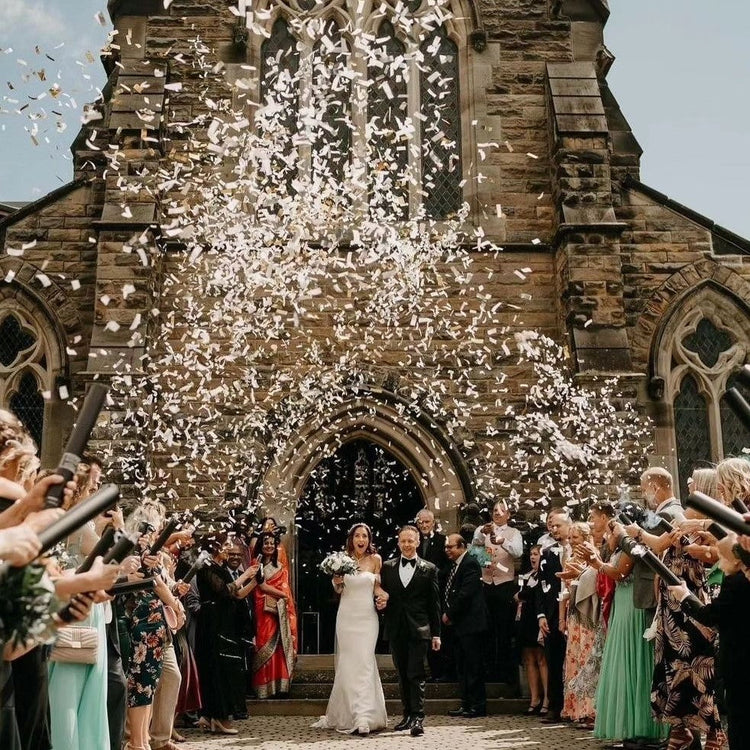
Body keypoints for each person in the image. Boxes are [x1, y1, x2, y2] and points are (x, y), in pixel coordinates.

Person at [587, 524, 667, 744]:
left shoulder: (629, 547)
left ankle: (643, 725)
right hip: (621, 607)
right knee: (624, 663)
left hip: (632, 609)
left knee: (633, 662)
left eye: (611, 531)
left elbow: (620, 573)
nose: (608, 535)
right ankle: (631, 726)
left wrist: (597, 563)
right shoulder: (619, 548)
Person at [312, 523, 388, 734]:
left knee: (364, 661)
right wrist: (336, 582)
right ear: (351, 539)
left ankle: (364, 715)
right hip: (347, 617)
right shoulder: (342, 560)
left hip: (367, 618)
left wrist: (384, 597)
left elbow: (377, 587)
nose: (361, 539)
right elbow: (338, 588)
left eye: (364, 535)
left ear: (369, 539)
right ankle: (352, 713)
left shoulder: (376, 560)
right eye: (357, 536)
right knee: (348, 663)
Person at [377, 525, 441, 737]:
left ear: (417, 542)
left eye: (410, 541)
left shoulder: (429, 568)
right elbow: (382, 596)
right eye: (403, 541)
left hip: (419, 629)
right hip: (396, 628)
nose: (406, 544)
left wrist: (436, 633)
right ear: (398, 542)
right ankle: (406, 715)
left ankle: (418, 717)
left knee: (416, 673)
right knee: (402, 674)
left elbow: (434, 604)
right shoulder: (387, 567)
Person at [195, 536, 258, 733]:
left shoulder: (221, 569)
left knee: (224, 669)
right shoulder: (206, 568)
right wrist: (246, 574)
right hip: (212, 622)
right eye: (226, 546)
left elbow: (237, 594)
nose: (229, 549)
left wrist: (255, 581)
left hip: (225, 622)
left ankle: (211, 716)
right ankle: (217, 717)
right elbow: (224, 590)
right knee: (216, 668)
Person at [472, 500, 523, 687]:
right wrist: (481, 534)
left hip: (504, 585)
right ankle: (487, 670)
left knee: (503, 629)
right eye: (495, 510)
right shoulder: (483, 529)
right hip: (486, 583)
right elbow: (475, 547)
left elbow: (518, 552)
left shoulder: (514, 533)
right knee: (486, 628)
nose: (497, 514)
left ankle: (504, 672)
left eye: (502, 511)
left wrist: (503, 541)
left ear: (508, 514)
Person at [442, 533, 487, 718]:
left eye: (450, 547)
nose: (447, 551)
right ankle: (466, 703)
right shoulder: (455, 565)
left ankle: (477, 705)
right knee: (462, 666)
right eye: (446, 547)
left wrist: (449, 613)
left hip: (471, 625)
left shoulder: (470, 564)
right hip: (460, 625)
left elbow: (465, 594)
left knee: (473, 666)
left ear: (461, 546)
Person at [251, 532, 297, 699]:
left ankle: (280, 685)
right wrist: (283, 595)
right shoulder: (256, 564)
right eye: (266, 543)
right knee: (264, 643)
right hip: (263, 612)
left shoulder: (281, 567)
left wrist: (284, 597)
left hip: (280, 612)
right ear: (260, 546)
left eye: (272, 543)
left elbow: (285, 589)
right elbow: (261, 587)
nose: (269, 546)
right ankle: (264, 687)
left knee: (279, 646)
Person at [534, 508, 569, 723]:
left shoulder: (581, 548)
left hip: (576, 612)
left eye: (558, 525)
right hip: (552, 613)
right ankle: (555, 706)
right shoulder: (546, 553)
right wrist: (541, 615)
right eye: (552, 526)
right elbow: (540, 586)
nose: (554, 529)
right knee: (554, 660)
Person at [415, 509, 449, 681]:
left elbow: (447, 566)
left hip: (438, 593)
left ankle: (441, 672)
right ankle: (429, 670)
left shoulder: (443, 541)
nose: (424, 525)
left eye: (427, 522)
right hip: (419, 596)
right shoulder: (414, 542)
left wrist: (434, 576)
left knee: (438, 632)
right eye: (421, 522)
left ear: (433, 523)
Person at [515, 545, 548, 715]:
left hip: (538, 619)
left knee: (542, 659)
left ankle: (547, 699)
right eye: (531, 554)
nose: (533, 557)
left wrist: (522, 596)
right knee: (529, 659)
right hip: (525, 621)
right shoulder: (527, 575)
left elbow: (533, 594)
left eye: (537, 554)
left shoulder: (545, 575)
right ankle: (534, 698)